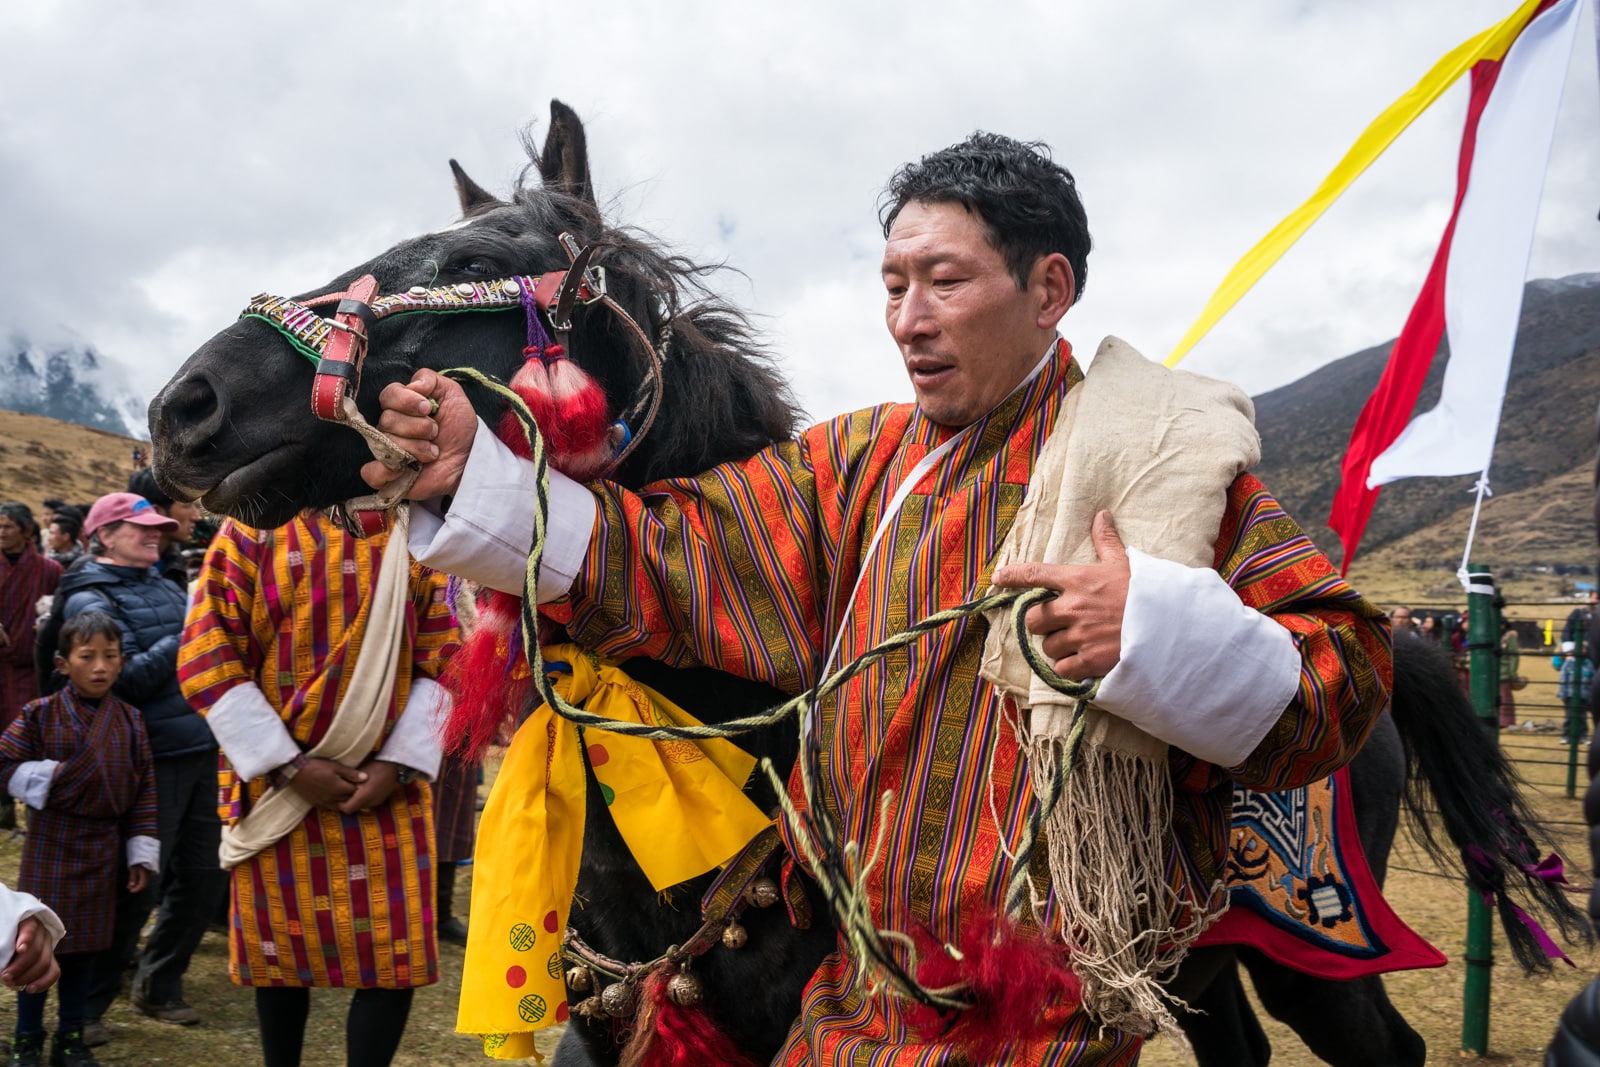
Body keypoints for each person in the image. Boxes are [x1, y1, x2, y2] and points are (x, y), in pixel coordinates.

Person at [365, 132, 1391, 1063]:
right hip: (851, 986)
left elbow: (1345, 671)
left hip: (1038, 1014)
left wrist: (1158, 634)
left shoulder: (1165, 464)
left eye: (943, 281)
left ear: (1048, 288)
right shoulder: (855, 460)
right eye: (893, 283)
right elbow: (673, 547)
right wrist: (487, 476)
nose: (908, 318)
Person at [178, 511, 459, 1067]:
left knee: (390, 959)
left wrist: (397, 767)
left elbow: (445, 659)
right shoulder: (249, 532)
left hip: (386, 794)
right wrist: (289, 767)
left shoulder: (413, 528)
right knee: (279, 960)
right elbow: (207, 654)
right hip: (278, 792)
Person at [58, 494, 222, 1043]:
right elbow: (119, 682)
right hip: (144, 756)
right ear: (103, 534)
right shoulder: (88, 597)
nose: (155, 535)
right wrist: (190, 635)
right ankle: (85, 1008)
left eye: (158, 527)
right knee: (137, 883)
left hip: (200, 742)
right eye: (140, 528)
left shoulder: (165, 584)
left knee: (203, 875)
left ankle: (159, 980)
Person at [1, 611, 159, 1067]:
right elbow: (3, 764)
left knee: (86, 948)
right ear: (62, 663)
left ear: (122, 662)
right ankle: (26, 1037)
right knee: (34, 945)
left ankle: (72, 1036)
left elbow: (145, 789)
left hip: (102, 849)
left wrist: (141, 852)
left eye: (110, 657)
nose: (100, 667)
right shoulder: (39, 714)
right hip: (51, 842)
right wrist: (56, 780)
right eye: (87, 657)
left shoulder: (130, 720)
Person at [0, 504, 62, 834]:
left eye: (8, 526)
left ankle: (30, 812)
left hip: (31, 670)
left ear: (26, 531)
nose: (1, 532)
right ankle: (3, 809)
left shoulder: (49, 569)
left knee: (27, 739)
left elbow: (57, 613)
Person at [126, 471, 200, 593]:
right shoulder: (113, 569)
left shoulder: (175, 563)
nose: (196, 517)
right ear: (155, 512)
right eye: (187, 506)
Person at [1500, 617, 1521, 729]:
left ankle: (1507, 721)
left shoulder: (1509, 638)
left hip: (1504, 673)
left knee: (1505, 698)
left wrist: (1512, 673)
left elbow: (1513, 657)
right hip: (1493, 674)